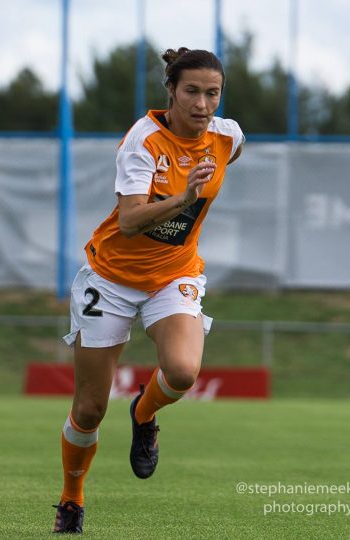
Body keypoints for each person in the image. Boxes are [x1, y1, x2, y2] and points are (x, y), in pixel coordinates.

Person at [51, 47, 244, 533]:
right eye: (193, 92)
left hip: (173, 274)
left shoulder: (228, 136)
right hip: (111, 278)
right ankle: (71, 499)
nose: (203, 105)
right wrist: (184, 197)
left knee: (182, 371)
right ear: (171, 93)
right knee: (90, 407)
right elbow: (133, 221)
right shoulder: (142, 142)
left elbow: (228, 153)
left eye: (213, 93)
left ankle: (143, 412)